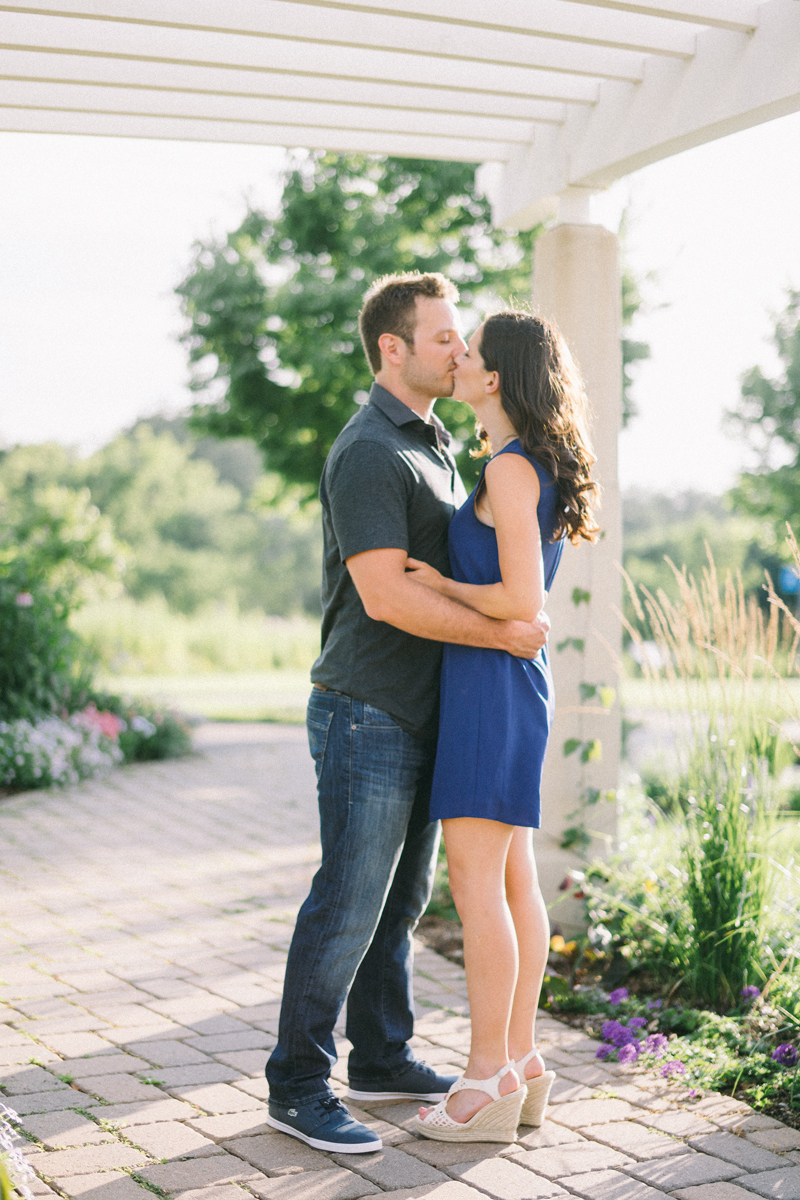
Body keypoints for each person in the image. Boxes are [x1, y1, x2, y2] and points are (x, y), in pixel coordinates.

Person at [265, 274, 551, 1154]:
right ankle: (298, 1083)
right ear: (393, 348)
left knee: (403, 900)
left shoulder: (441, 445)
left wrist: (496, 624)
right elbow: (387, 596)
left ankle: (382, 1054)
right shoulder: (370, 453)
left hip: (433, 709)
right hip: (367, 707)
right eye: (444, 339)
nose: (460, 352)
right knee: (349, 899)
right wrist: (503, 634)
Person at [408, 310, 599, 1143]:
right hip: (515, 681)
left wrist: (439, 585)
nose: (458, 357)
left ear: (495, 380)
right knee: (515, 881)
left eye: (472, 351)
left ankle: (484, 1079)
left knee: (479, 885)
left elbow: (523, 601)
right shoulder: (521, 464)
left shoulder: (513, 472)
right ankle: (519, 1065)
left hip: (492, 682)